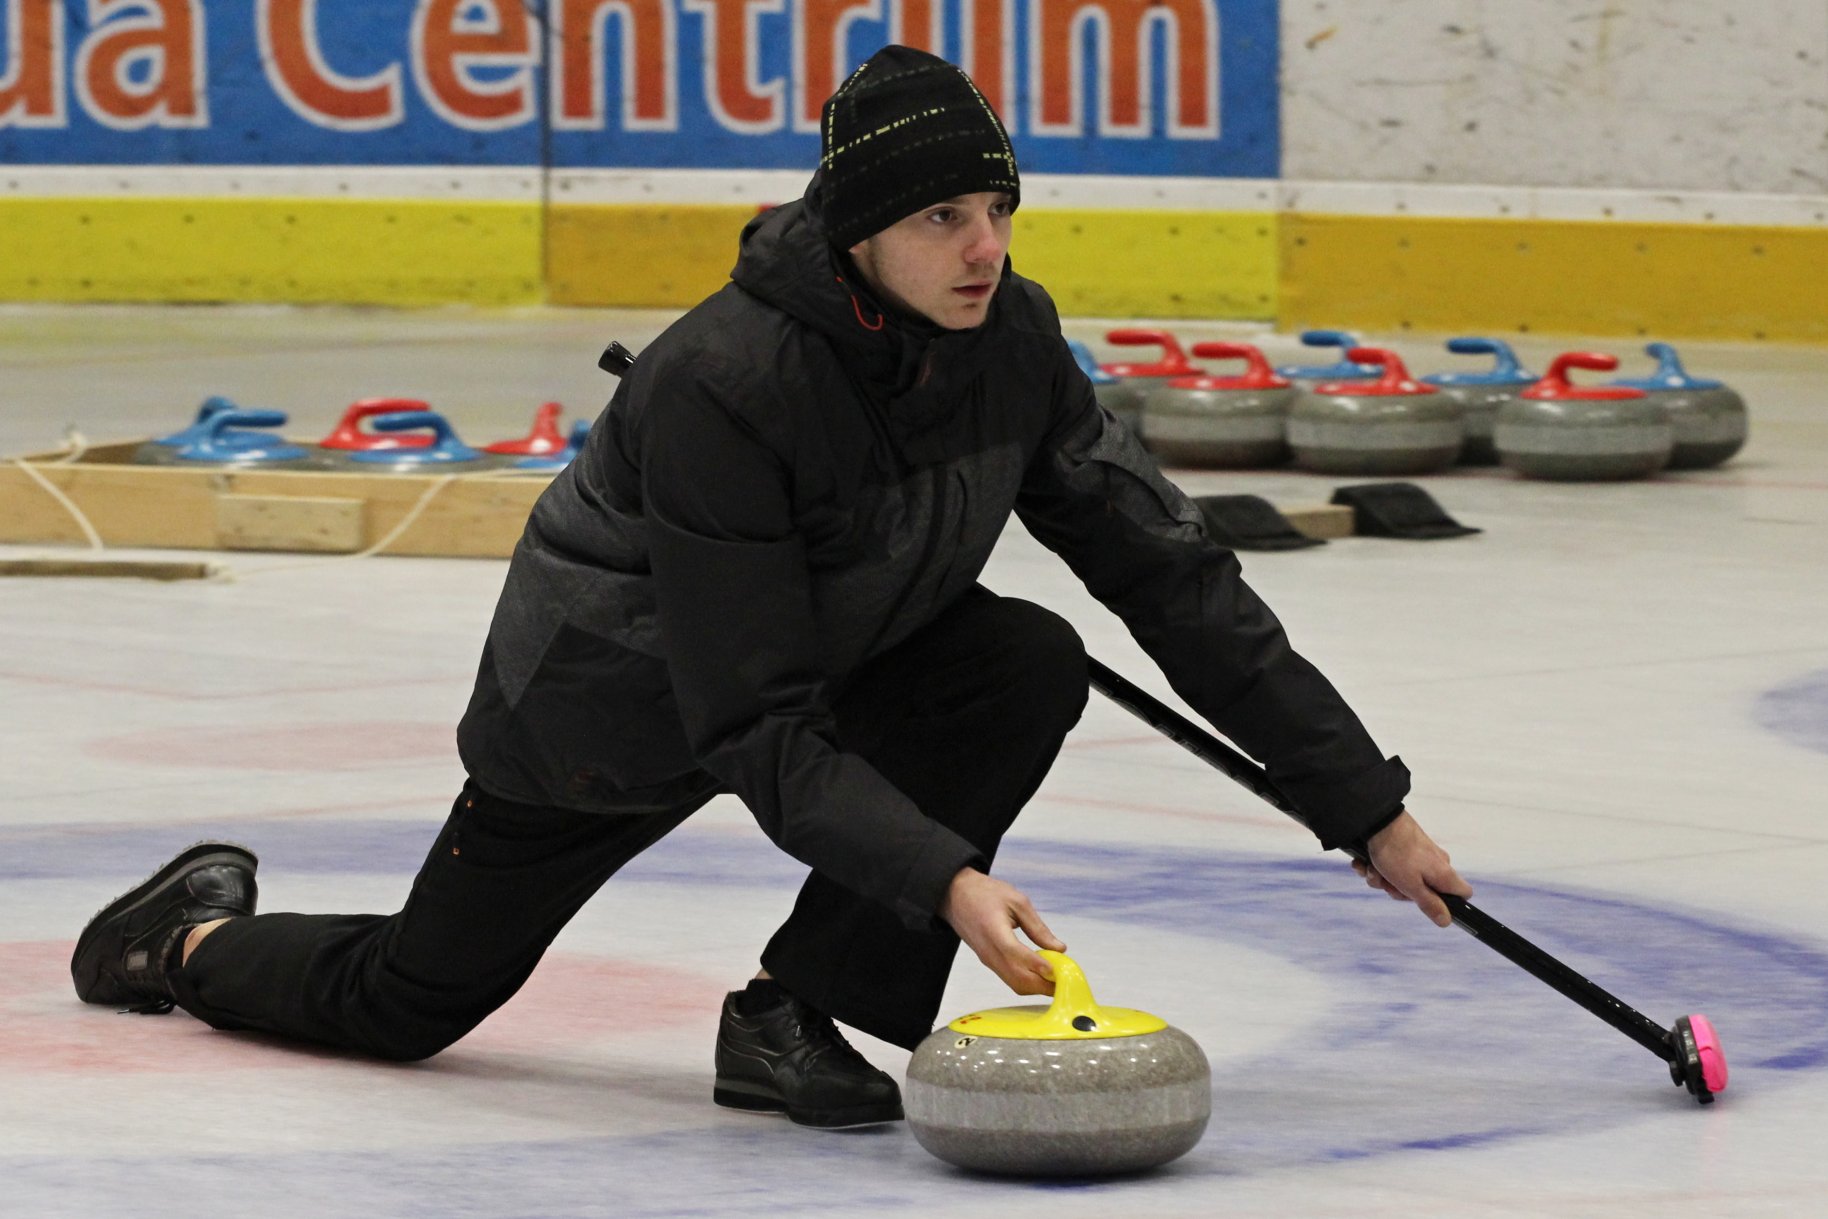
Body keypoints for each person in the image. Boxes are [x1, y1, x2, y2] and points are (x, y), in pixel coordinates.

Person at [71, 45, 1471, 1130]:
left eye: (998, 209)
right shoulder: (725, 385)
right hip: (608, 709)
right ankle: (178, 941)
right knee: (411, 1000)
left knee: (1022, 659)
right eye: (943, 216)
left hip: (833, 651)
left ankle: (794, 1014)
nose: (985, 247)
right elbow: (745, 715)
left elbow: (1171, 575)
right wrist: (945, 880)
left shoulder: (1011, 341)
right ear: (859, 229)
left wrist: (1362, 803)